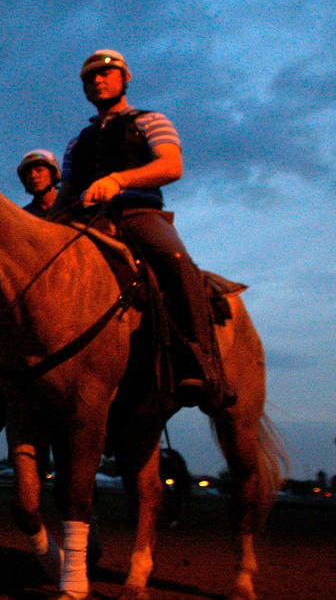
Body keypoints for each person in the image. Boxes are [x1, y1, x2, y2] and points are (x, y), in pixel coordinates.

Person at [53, 49, 231, 412]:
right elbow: (66, 195)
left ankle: (200, 363)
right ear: (85, 89)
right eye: (90, 78)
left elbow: (172, 165)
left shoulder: (150, 120)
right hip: (84, 219)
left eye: (106, 73)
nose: (98, 80)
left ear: (125, 77)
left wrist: (119, 180)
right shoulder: (76, 143)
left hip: (137, 212)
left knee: (176, 261)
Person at [16, 149, 61, 217]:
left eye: (39, 170)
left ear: (53, 174)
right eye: (28, 173)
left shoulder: (74, 209)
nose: (33, 176)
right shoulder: (22, 217)